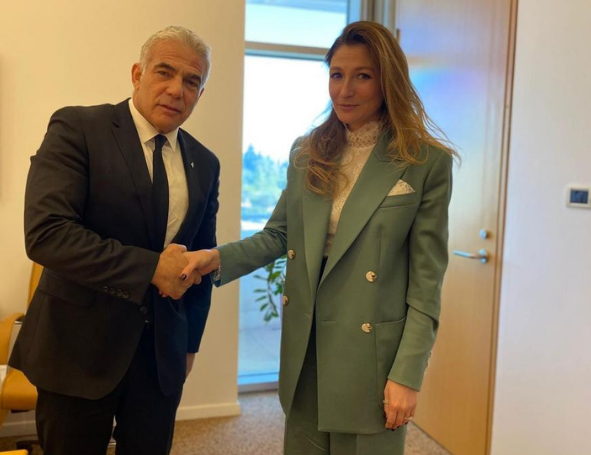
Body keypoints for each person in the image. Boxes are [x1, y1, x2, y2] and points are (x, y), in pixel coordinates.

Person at [182, 21, 455, 455]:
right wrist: (214, 258)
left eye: (362, 76)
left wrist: (407, 373)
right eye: (337, 74)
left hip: (372, 353)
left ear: (388, 81)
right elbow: (278, 234)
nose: (345, 90)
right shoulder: (308, 152)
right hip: (306, 342)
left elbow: (426, 282)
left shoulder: (423, 162)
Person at [9, 26, 220, 455]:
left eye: (191, 81)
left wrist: (189, 344)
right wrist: (151, 268)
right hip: (77, 351)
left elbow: (200, 261)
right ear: (137, 74)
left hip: (160, 356)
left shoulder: (205, 162)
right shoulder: (78, 127)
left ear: (200, 93)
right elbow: (48, 233)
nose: (176, 89)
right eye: (164, 72)